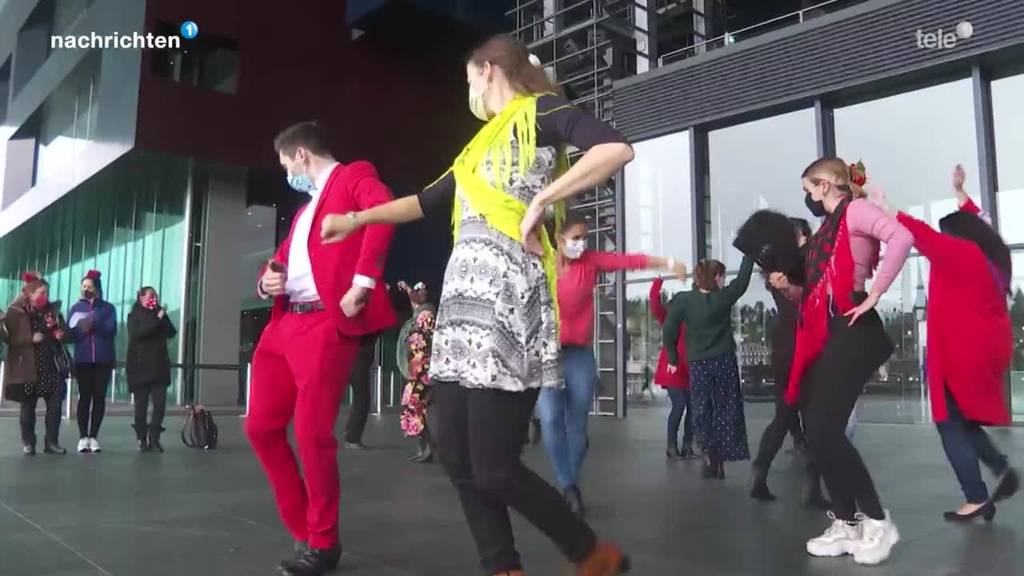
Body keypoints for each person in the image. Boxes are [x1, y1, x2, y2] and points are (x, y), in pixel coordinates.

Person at [320, 33, 633, 576]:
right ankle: (501, 566)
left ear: (488, 70)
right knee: (459, 459)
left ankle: (593, 555)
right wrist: (355, 219)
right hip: (462, 306)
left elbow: (615, 148)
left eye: (470, 80)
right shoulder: (476, 149)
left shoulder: (540, 112)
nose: (469, 91)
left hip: (508, 301)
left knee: (493, 468)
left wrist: (542, 199)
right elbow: (421, 202)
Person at [245, 121, 397, 576]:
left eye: (285, 164)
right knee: (260, 428)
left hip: (325, 327)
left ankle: (323, 542)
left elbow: (383, 209)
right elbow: (281, 263)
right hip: (285, 325)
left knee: (312, 435)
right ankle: (307, 530)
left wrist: (364, 281)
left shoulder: (353, 177)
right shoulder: (304, 212)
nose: (286, 172)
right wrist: (266, 279)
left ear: (300, 156)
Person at [769, 157, 912, 566]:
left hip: (856, 327)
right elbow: (817, 296)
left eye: (810, 189)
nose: (808, 197)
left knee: (826, 428)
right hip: (834, 328)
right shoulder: (824, 234)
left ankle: (880, 522)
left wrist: (875, 293)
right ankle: (848, 522)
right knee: (818, 429)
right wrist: (790, 289)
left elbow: (900, 239)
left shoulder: (857, 210)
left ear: (827, 184)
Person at [881, 164, 1018, 522]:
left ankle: (976, 497)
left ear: (957, 236)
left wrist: (886, 206)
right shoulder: (990, 258)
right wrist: (960, 192)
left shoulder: (959, 255)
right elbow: (975, 222)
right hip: (986, 347)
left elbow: (924, 235)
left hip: (959, 351)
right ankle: (1001, 469)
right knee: (964, 420)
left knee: (948, 422)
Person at [546, 213, 685, 515]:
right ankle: (568, 485)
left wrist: (669, 262)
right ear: (559, 239)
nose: (581, 243)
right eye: (576, 237)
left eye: (585, 237)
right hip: (545, 356)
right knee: (550, 420)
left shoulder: (591, 261)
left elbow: (629, 261)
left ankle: (569, 481)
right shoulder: (542, 263)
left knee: (578, 426)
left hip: (579, 353)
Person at [750, 218, 821, 504]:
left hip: (782, 343)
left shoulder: (776, 269)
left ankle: (760, 471)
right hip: (806, 341)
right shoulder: (807, 262)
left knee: (783, 414)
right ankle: (812, 488)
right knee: (816, 418)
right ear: (803, 235)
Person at [664, 256, 754, 480]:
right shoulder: (722, 299)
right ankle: (721, 458)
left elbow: (669, 330)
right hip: (724, 360)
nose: (724, 281)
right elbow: (742, 282)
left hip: (698, 364)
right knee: (726, 408)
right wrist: (749, 254)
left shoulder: (684, 300)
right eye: (722, 277)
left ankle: (707, 452)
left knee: (702, 409)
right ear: (715, 278)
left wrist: (674, 358)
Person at [3, 273, 71, 456]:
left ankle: (52, 442)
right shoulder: (16, 312)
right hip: (28, 367)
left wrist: (61, 334)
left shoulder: (54, 312)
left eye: (47, 292)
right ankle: (28, 442)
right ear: (30, 294)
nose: (45, 296)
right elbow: (8, 338)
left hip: (51, 365)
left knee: (55, 406)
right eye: (41, 292)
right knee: (27, 410)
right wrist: (29, 338)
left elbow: (66, 333)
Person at [68, 270, 117, 454]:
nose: (86, 289)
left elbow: (111, 329)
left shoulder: (108, 308)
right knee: (84, 398)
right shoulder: (75, 308)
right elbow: (71, 333)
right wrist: (81, 328)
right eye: (84, 287)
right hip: (83, 360)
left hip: (103, 359)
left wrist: (94, 323)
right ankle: (82, 437)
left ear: (97, 288)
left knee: (99, 398)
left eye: (89, 286)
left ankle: (94, 436)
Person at [126, 287, 177, 453]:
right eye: (150, 296)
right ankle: (141, 436)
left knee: (159, 405)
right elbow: (138, 333)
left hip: (159, 368)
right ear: (141, 298)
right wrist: (156, 319)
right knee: (141, 405)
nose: (153, 299)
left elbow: (171, 333)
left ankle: (155, 437)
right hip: (140, 367)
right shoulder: (134, 316)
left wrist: (162, 317)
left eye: (155, 296)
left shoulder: (159, 313)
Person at [649, 277, 696, 460]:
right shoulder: (668, 316)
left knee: (693, 407)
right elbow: (654, 303)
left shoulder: (693, 319)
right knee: (679, 405)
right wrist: (658, 282)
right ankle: (671, 446)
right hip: (673, 368)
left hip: (690, 369)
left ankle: (687, 446)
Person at [397, 281, 437, 463]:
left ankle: (427, 448)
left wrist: (407, 290)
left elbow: (423, 343)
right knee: (415, 407)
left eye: (420, 291)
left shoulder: (425, 314)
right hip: (417, 370)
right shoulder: (417, 314)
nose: (416, 293)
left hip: (423, 371)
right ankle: (425, 448)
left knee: (414, 405)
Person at [343, 333, 378, 450]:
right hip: (358, 355)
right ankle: (352, 438)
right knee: (362, 399)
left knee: (361, 398)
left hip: (356, 354)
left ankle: (351, 435)